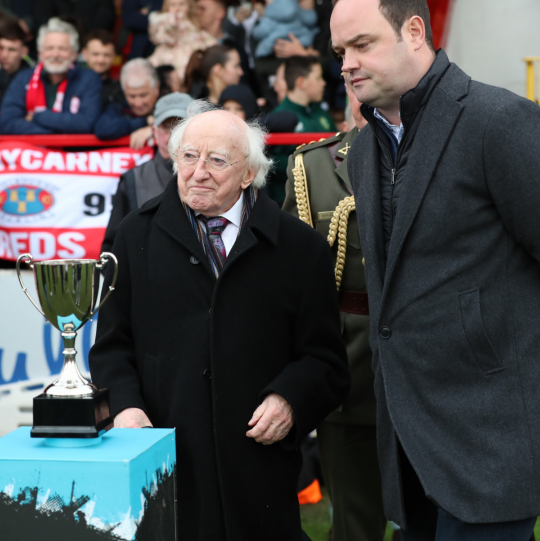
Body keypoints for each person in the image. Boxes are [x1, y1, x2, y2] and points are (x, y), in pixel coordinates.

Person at [330, 0, 540, 539]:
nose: (346, 63)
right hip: (411, 439)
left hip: (495, 432)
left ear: (414, 32)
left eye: (361, 45)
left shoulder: (500, 120)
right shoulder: (365, 149)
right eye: (340, 51)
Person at [89, 101, 350, 541]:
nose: (199, 172)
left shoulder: (299, 248)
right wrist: (126, 408)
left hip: (259, 471)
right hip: (166, 463)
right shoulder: (135, 235)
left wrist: (289, 399)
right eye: (189, 157)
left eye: (217, 160)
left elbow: (325, 360)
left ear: (249, 173)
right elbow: (112, 347)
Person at [283, 84, 389, 541]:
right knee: (354, 520)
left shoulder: (441, 152)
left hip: (431, 363)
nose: (362, 88)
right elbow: (289, 276)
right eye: (352, 80)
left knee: (439, 514)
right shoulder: (313, 166)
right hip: (350, 362)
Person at [101, 91, 193, 253]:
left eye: (178, 128)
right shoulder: (132, 180)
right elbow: (112, 249)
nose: (170, 138)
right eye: (165, 128)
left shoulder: (213, 176)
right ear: (155, 132)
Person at [0, 17, 102, 135]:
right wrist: (56, 132)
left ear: (74, 54)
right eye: (49, 48)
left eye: (62, 48)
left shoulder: (89, 79)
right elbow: (7, 123)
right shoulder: (24, 78)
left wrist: (38, 117)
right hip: (33, 152)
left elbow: (86, 123)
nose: (55, 54)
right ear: (40, 53)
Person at [269, 54, 335, 204]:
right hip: (291, 205)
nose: (323, 83)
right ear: (301, 82)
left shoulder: (321, 113)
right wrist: (311, 164)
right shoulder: (279, 119)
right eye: (318, 78)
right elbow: (271, 162)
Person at [94, 58, 160, 148]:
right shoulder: (118, 103)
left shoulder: (169, 102)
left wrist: (155, 130)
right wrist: (143, 122)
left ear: (156, 88)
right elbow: (103, 129)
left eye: (143, 95)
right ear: (124, 91)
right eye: (132, 96)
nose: (138, 103)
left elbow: (180, 123)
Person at [147, 0, 215, 85]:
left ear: (189, 6)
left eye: (181, 4)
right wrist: (171, 24)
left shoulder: (193, 21)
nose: (177, 8)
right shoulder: (166, 20)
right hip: (171, 53)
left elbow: (199, 35)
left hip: (190, 51)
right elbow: (161, 37)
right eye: (173, 5)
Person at [252, 0, 317, 59]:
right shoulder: (297, 10)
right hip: (301, 42)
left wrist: (261, 17)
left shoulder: (270, 16)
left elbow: (259, 32)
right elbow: (310, 19)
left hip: (274, 49)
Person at [0, 18, 32, 103]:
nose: (4, 55)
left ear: (24, 52)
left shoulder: (30, 78)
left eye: (12, 50)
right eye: (1, 48)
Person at [81, 29, 121, 107]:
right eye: (95, 54)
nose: (101, 60)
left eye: (106, 55)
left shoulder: (119, 90)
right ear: (84, 54)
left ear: (114, 56)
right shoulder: (71, 84)